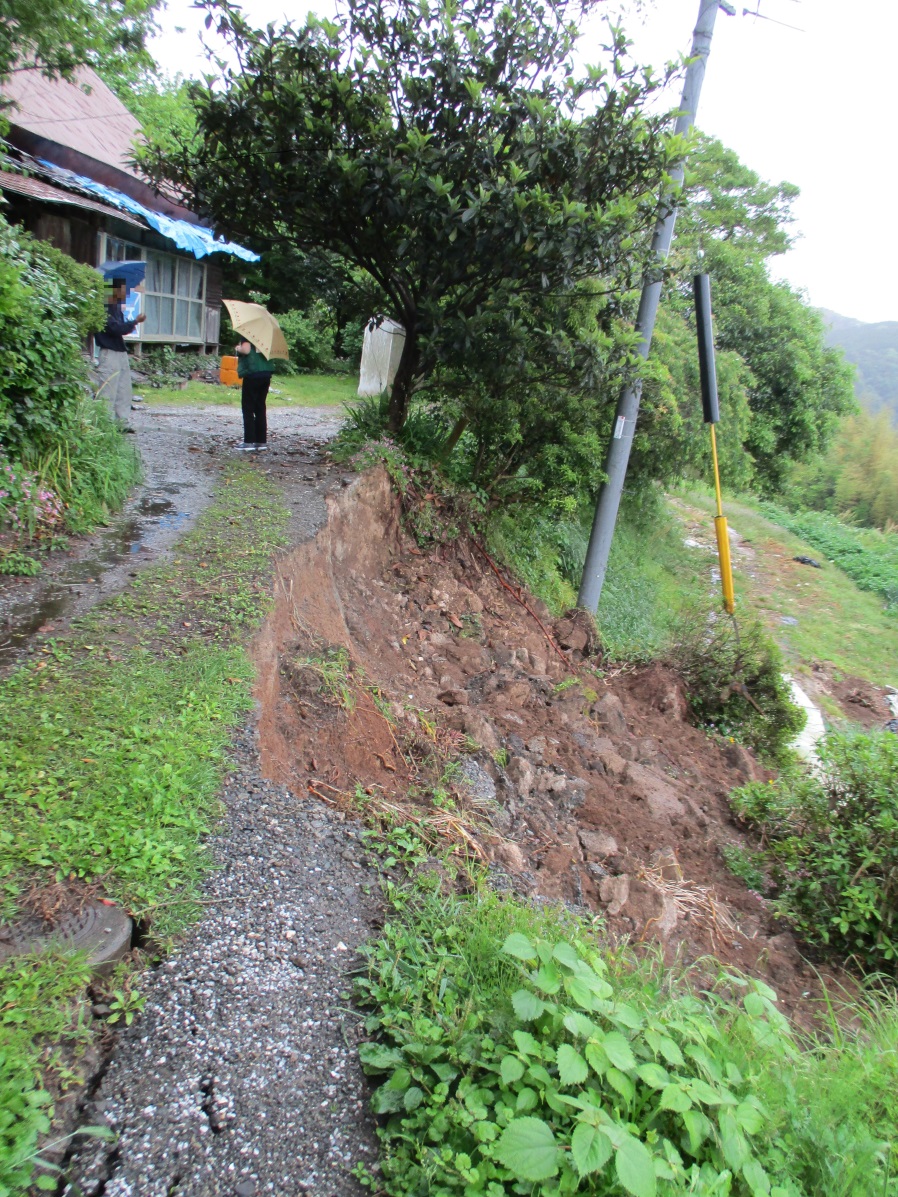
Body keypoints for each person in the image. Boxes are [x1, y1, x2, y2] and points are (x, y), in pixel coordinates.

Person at [95, 278, 145, 428]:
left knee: (124, 389)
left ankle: (121, 422)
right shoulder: (103, 308)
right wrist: (135, 321)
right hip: (108, 351)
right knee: (108, 390)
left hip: (119, 350)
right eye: (121, 289)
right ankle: (104, 424)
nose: (124, 293)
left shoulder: (115, 307)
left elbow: (121, 328)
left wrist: (131, 323)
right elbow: (115, 328)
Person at [235, 337, 274, 451]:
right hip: (266, 373)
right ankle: (261, 442)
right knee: (260, 407)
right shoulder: (267, 336)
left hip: (252, 374)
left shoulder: (248, 334)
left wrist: (238, 348)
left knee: (248, 408)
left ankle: (249, 442)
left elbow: (246, 350)